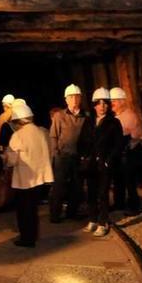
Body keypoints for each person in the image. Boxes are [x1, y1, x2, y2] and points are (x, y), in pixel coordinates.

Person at [3, 102, 54, 247]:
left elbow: (12, 161)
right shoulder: (41, 132)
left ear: (17, 121)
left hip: (24, 179)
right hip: (39, 178)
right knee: (33, 209)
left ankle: (26, 238)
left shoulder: (17, 136)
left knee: (23, 210)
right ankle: (33, 235)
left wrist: (6, 156)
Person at [78, 87, 124, 238]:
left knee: (103, 193)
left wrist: (108, 161)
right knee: (91, 192)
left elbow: (118, 145)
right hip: (91, 164)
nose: (102, 106)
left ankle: (103, 222)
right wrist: (84, 156)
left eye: (105, 103)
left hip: (104, 164)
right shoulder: (89, 122)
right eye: (99, 103)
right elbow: (82, 140)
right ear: (94, 105)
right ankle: (92, 219)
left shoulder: (114, 123)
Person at [49, 83, 88, 222]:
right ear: (66, 99)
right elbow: (53, 136)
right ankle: (55, 214)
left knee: (76, 186)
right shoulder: (59, 116)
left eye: (77, 96)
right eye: (71, 97)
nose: (74, 99)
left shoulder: (85, 116)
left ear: (80, 98)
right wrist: (56, 154)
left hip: (78, 157)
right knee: (59, 186)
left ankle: (72, 212)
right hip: (63, 157)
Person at [110, 86, 142, 215]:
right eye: (111, 100)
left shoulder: (129, 115)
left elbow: (131, 135)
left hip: (129, 153)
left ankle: (134, 207)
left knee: (129, 182)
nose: (112, 103)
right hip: (120, 153)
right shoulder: (116, 116)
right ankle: (119, 203)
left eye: (115, 100)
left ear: (122, 101)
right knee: (118, 180)